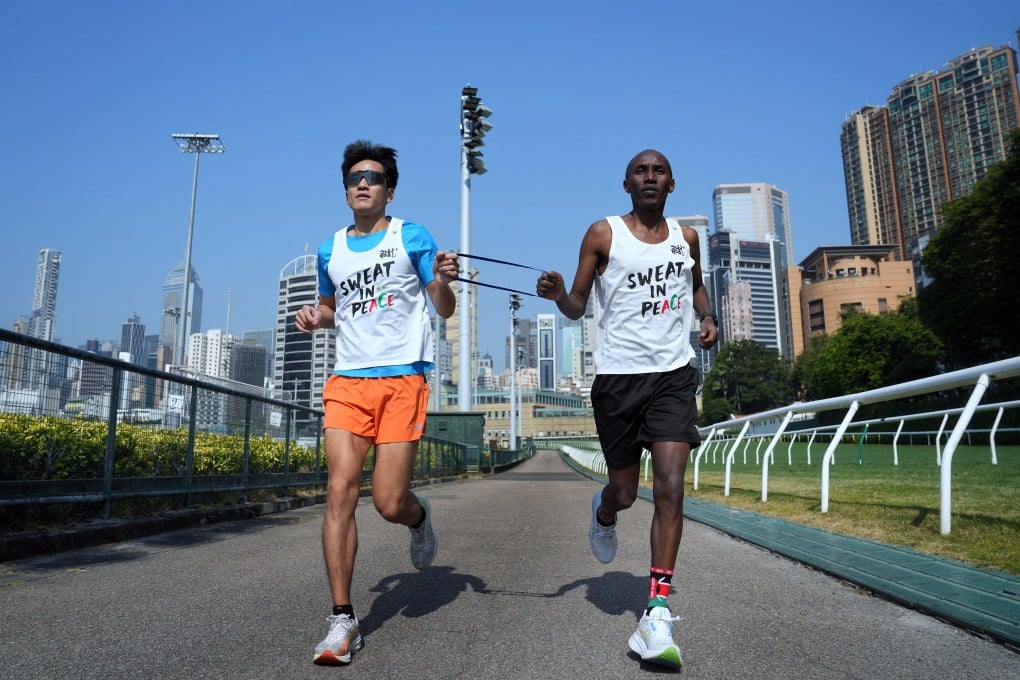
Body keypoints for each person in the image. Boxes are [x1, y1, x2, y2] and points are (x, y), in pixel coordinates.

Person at [536, 149, 718, 670]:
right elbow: (576, 305)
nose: (650, 177)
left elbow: (696, 286)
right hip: (618, 381)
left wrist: (707, 317)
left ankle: (656, 611)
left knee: (670, 486)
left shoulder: (687, 238)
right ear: (627, 184)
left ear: (672, 183)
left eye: (659, 171)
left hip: (673, 377)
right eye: (641, 171)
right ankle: (605, 510)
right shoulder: (603, 234)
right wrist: (557, 295)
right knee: (625, 492)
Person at [295, 140, 459, 666]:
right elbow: (331, 308)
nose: (362, 184)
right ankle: (342, 619)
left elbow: (443, 306)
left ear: (389, 190)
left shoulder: (411, 236)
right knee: (339, 491)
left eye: (373, 177)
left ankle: (418, 517)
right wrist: (313, 315)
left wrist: (444, 281)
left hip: (402, 379)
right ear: (346, 190)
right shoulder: (330, 250)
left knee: (389, 502)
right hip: (348, 381)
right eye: (354, 178)